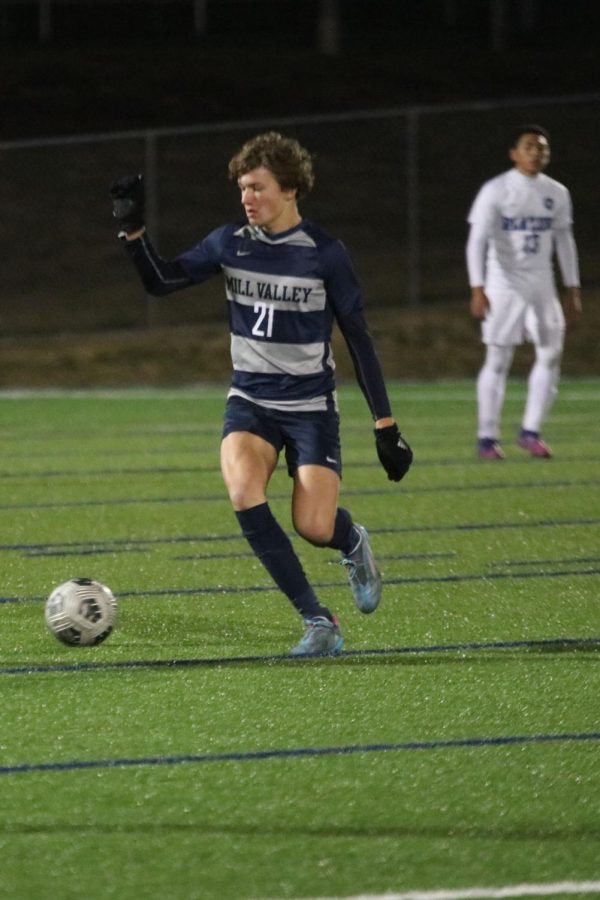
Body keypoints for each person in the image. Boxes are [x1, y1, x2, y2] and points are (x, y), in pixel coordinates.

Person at [110, 131, 412, 656]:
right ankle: (318, 621)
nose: (246, 198)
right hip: (250, 401)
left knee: (313, 526)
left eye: (257, 187)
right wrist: (135, 232)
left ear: (290, 189)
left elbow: (358, 339)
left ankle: (351, 541)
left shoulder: (325, 254)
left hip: (311, 408)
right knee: (244, 491)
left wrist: (385, 425)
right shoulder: (231, 241)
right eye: (242, 189)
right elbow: (163, 282)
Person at [466, 123, 581, 459]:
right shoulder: (496, 190)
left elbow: (564, 240)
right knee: (499, 357)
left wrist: (572, 287)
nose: (536, 152)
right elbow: (477, 240)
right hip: (504, 283)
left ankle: (531, 432)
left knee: (550, 354)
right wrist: (478, 287)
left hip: (542, 282)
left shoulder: (557, 192)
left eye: (541, 147)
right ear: (514, 153)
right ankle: (487, 437)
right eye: (529, 146)